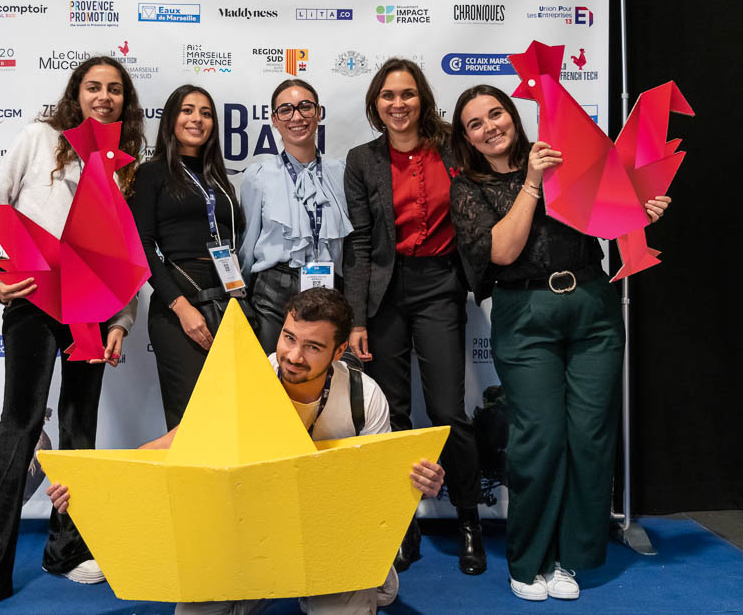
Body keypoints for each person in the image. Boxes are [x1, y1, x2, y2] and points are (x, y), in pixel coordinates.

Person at [47, 287, 445, 615]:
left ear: (339, 352)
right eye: (289, 337)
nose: (293, 356)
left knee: (348, 607)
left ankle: (361, 582)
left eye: (313, 347)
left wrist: (420, 478)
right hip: (247, 539)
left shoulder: (364, 396)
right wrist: (93, 480)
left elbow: (382, 479)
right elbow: (180, 439)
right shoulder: (248, 375)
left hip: (327, 538)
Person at [0, 56, 144, 615]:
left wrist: (121, 322)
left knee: (80, 427)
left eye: (115, 90)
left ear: (126, 101)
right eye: (94, 87)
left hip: (94, 311)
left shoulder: (127, 167)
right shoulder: (38, 137)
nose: (104, 97)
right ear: (77, 92)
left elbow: (127, 254)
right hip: (33, 301)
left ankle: (66, 549)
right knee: (20, 427)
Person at [448, 84, 671, 601]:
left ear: (513, 115)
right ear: (466, 138)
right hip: (525, 316)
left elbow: (612, 213)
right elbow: (501, 252)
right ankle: (530, 560)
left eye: (495, 113)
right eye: (475, 123)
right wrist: (531, 182)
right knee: (540, 438)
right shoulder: (470, 187)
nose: (489, 127)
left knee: (591, 439)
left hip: (593, 307)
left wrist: (641, 208)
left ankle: (571, 558)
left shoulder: (564, 155)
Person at [342, 58, 485, 575]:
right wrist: (355, 318)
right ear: (375, 104)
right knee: (394, 417)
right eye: (387, 96)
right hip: (385, 292)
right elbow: (360, 243)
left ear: (421, 98)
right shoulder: (362, 159)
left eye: (406, 94)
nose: (397, 104)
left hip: (441, 284)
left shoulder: (452, 146)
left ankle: (469, 520)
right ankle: (403, 524)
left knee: (449, 412)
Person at [129, 85, 245, 431]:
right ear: (171, 120)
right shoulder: (151, 174)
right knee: (191, 421)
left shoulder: (218, 177)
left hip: (228, 298)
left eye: (206, 113)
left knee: (229, 415)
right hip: (179, 301)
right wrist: (181, 306)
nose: (198, 119)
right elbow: (141, 245)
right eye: (188, 110)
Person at [238, 78, 352, 353]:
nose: (297, 117)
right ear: (275, 120)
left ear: (319, 113)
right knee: (271, 379)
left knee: (321, 380)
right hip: (272, 291)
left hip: (330, 290)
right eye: (286, 110)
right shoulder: (258, 176)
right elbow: (247, 244)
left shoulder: (343, 173)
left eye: (305, 107)